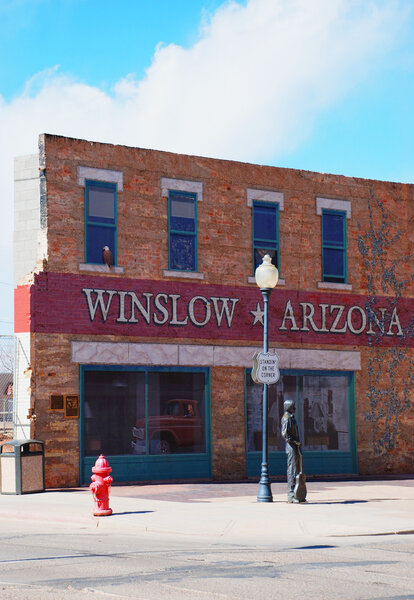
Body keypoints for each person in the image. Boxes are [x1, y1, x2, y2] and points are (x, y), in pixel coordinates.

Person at [281, 399, 301, 503]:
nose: (295, 408)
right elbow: (285, 435)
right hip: (291, 446)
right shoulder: (286, 418)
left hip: (295, 446)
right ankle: (291, 494)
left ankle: (297, 493)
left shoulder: (291, 418)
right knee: (292, 469)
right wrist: (295, 442)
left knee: (296, 469)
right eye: (293, 406)